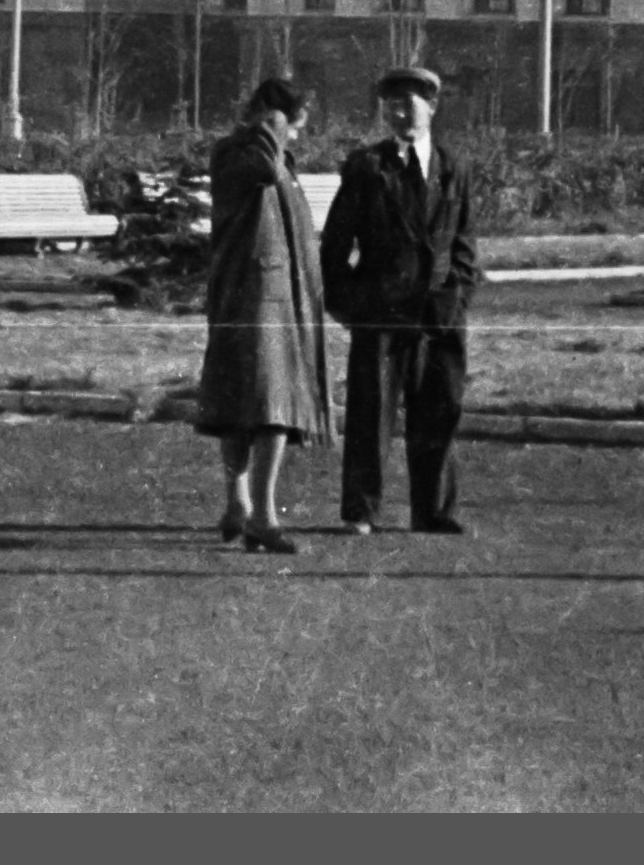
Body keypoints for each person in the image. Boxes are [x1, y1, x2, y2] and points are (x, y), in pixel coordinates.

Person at [319, 65, 478, 535]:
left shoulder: (453, 167)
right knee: (371, 414)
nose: (399, 113)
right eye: (391, 104)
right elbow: (334, 245)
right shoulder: (368, 166)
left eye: (409, 104)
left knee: (440, 410)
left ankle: (433, 511)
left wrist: (460, 294)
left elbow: (464, 241)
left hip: (440, 315)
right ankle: (361, 511)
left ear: (432, 107)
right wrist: (349, 305)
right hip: (381, 313)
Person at [194, 75, 334, 554]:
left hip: (275, 296)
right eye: (293, 125)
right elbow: (264, 170)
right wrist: (271, 124)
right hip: (254, 296)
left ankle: (239, 507)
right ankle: (262, 516)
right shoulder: (241, 153)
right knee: (272, 407)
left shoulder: (267, 155)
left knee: (254, 404)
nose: (293, 135)